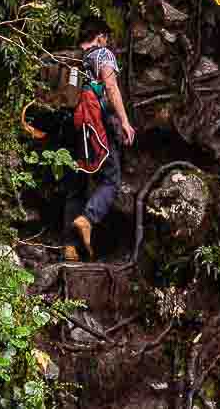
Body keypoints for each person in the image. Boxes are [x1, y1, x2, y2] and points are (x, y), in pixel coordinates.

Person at [64, 17, 136, 261]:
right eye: (106, 36)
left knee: (76, 186)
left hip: (71, 126)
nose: (108, 41)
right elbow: (111, 87)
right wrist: (125, 122)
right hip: (96, 126)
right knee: (111, 179)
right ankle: (88, 219)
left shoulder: (72, 58)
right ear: (100, 36)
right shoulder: (102, 54)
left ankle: (70, 248)